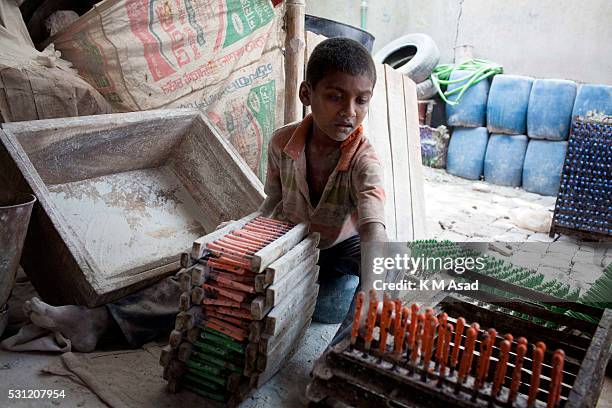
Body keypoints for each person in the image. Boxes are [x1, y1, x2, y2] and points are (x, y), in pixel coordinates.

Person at [17, 37, 387, 352]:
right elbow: (272, 205)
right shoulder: (281, 142)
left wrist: (370, 292)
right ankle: (98, 323)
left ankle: (337, 363)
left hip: (339, 258)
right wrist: (237, 237)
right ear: (307, 94)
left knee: (382, 280)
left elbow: (375, 231)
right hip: (292, 238)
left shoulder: (364, 161)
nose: (349, 112)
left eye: (361, 101)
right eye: (336, 97)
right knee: (207, 270)